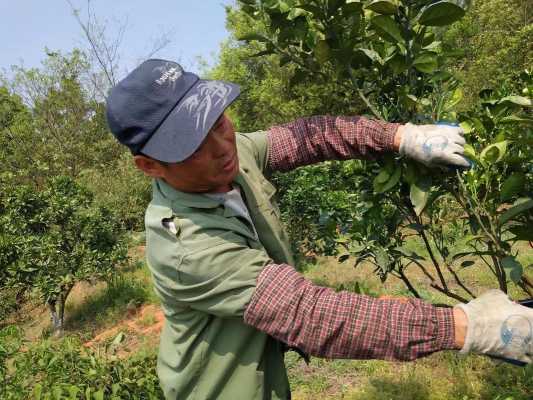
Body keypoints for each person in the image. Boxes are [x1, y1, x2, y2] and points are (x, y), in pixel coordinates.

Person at [106, 59, 533, 400]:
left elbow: (307, 137)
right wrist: (466, 327)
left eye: (218, 122)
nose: (222, 148)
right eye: (194, 147)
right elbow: (310, 315)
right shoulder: (186, 248)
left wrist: (400, 136)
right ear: (149, 166)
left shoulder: (232, 153)